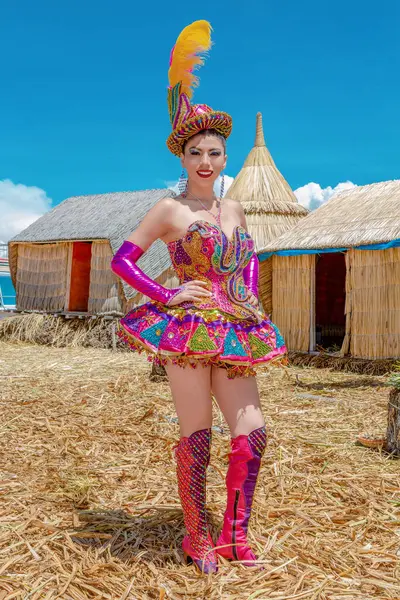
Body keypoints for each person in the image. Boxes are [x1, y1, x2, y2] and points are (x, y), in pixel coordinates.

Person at [111, 20, 286, 574]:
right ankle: (196, 536)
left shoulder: (233, 211)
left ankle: (235, 534)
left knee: (251, 435)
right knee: (197, 434)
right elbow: (122, 260)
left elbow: (249, 257)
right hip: (187, 329)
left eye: (214, 151)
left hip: (235, 328)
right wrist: (165, 292)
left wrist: (250, 295)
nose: (206, 160)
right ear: (182, 159)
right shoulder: (169, 211)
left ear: (225, 158)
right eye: (196, 152)